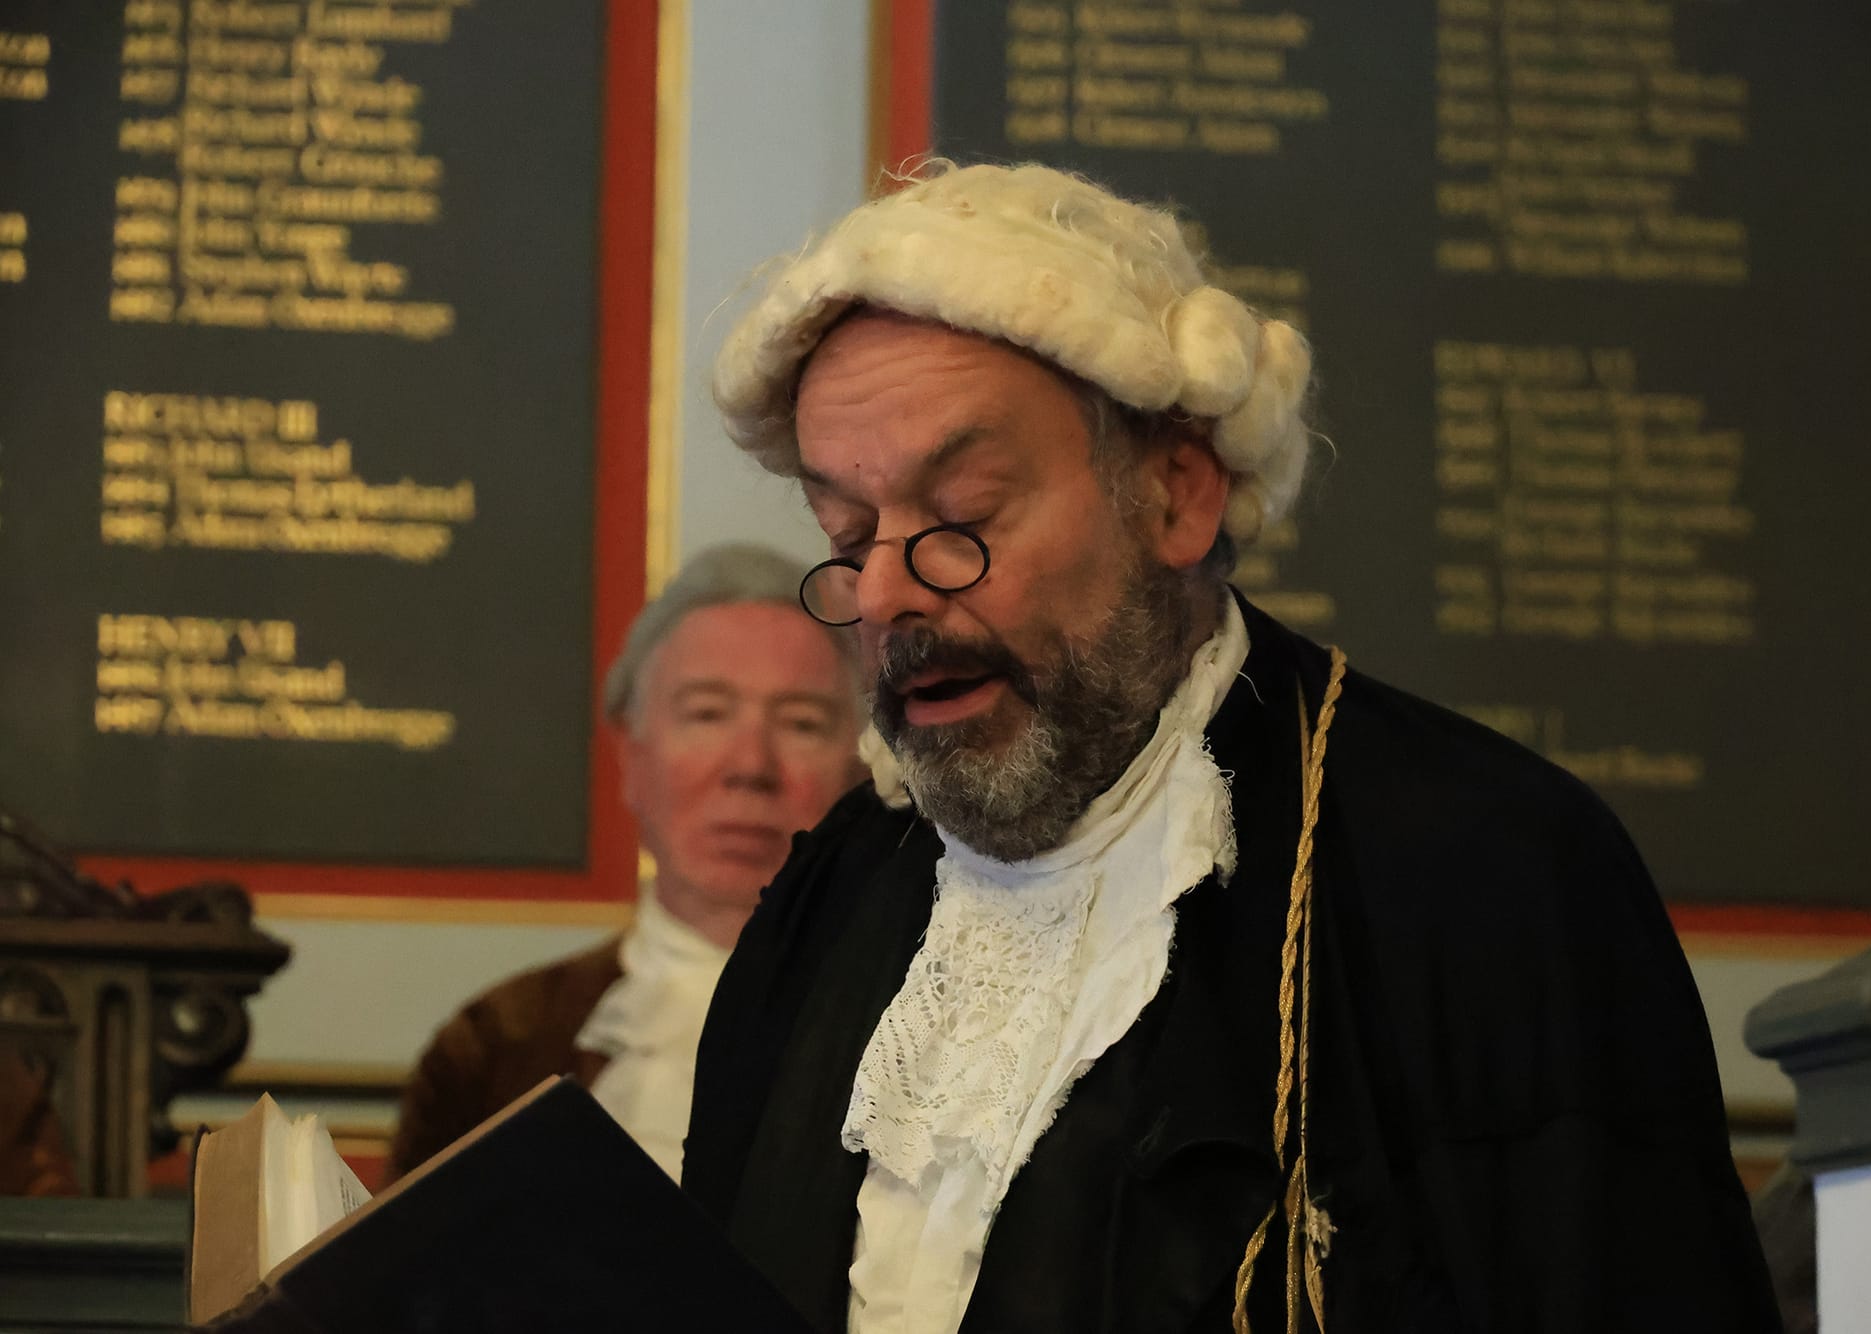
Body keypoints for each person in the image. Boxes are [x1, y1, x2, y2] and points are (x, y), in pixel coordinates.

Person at [681, 163, 1782, 1332]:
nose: (885, 592)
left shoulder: (1486, 875)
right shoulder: (824, 902)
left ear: (1174, 496)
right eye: (849, 531)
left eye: (963, 513)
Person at [388, 544, 864, 1180]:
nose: (751, 766)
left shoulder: (928, 1030)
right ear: (631, 755)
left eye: (802, 723)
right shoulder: (497, 1048)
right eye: (707, 714)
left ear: (858, 766)